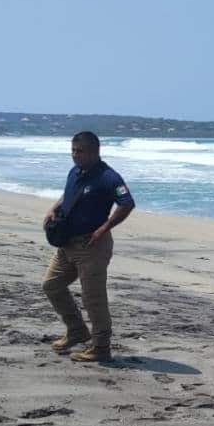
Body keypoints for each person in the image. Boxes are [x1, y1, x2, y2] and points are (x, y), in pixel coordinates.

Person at [42, 131, 135, 363]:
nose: (75, 155)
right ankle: (76, 330)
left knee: (93, 298)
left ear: (94, 152)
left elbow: (127, 204)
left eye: (80, 151)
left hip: (92, 246)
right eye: (73, 151)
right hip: (67, 245)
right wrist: (53, 208)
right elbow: (68, 195)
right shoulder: (75, 172)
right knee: (51, 286)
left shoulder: (108, 177)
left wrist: (103, 229)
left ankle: (101, 346)